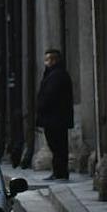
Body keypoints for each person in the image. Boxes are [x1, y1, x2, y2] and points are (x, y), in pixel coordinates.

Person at [35, 48, 74, 181]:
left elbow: (50, 96)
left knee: (58, 146)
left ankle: (61, 172)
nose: (49, 62)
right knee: (56, 146)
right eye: (47, 59)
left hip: (56, 118)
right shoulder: (51, 74)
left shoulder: (58, 75)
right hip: (53, 118)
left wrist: (41, 107)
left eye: (51, 59)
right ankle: (58, 172)